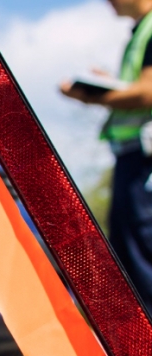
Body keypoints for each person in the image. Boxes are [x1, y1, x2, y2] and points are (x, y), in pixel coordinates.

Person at [61, 0, 152, 310]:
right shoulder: (141, 31)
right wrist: (111, 83)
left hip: (144, 162)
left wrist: (91, 94)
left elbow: (147, 91)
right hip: (136, 159)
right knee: (132, 254)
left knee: (140, 255)